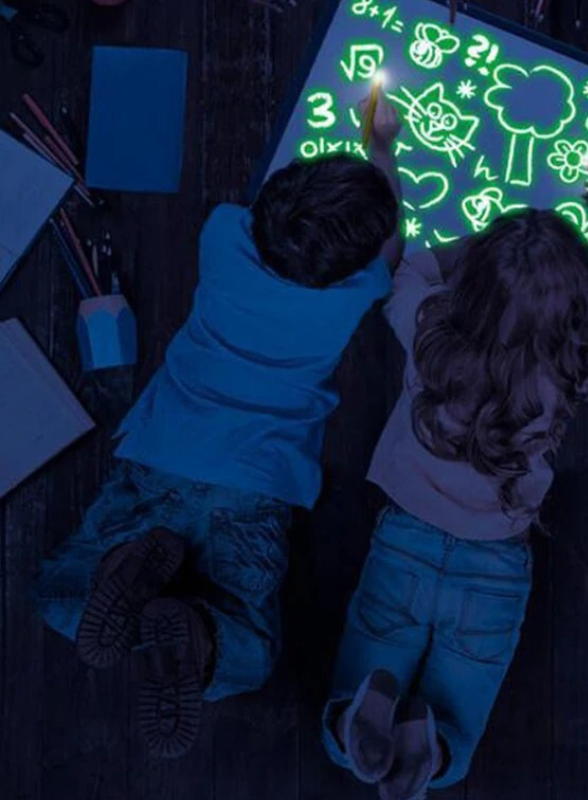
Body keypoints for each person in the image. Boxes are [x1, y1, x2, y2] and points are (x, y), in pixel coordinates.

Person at [36, 92, 404, 758]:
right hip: (252, 487)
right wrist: (383, 147)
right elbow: (392, 248)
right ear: (350, 270)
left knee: (62, 595)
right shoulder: (361, 292)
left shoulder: (224, 234)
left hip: (167, 451)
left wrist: (348, 163)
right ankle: (197, 632)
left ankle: (135, 576)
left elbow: (280, 209)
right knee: (249, 654)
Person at [322, 181, 588, 799]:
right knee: (460, 718)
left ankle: (357, 720)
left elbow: (407, 266)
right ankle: (429, 751)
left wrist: (487, 246)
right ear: (577, 305)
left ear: (473, 279)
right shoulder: (579, 359)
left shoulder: (429, 327)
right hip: (495, 563)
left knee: (365, 660)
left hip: (405, 541)